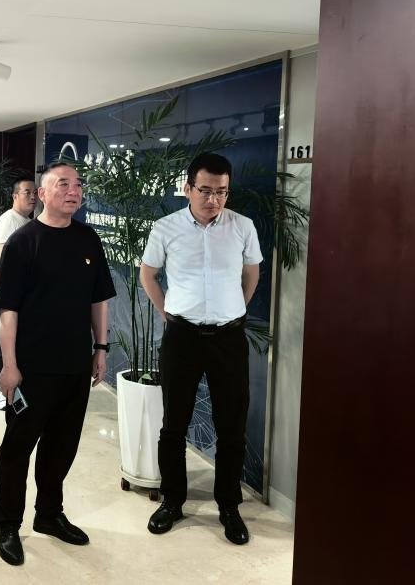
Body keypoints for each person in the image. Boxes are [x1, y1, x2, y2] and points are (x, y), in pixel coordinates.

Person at [0, 161, 116, 567]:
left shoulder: (88, 238)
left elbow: (99, 298)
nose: (73, 191)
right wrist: (9, 365)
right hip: (31, 367)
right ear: (42, 194)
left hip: (74, 365)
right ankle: (7, 524)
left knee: (62, 446)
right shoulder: (23, 242)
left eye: (77, 184)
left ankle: (48, 513)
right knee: (18, 448)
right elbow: (7, 310)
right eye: (63, 184)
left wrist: (101, 348)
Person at [139, 152, 262, 546]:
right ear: (188, 188)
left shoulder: (242, 227)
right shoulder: (166, 228)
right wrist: (168, 313)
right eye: (206, 190)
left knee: (231, 426)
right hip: (182, 337)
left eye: (221, 192)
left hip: (229, 338)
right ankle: (173, 501)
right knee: (174, 424)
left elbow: (252, 272)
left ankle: (229, 505)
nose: (214, 199)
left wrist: (236, 309)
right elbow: (148, 274)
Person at [0, 175, 37, 410]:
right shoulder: (8, 220)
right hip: (6, 291)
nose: (33, 197)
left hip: (24, 293)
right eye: (27, 193)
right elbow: (4, 258)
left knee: (14, 341)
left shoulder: (28, 221)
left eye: (35, 193)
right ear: (15, 196)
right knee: (1, 341)